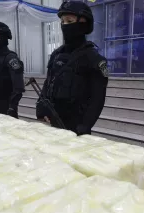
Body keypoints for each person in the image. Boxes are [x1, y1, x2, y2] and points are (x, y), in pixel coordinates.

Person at [36, 1, 108, 135]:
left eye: (69, 21)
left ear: (83, 23)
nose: (65, 26)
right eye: (62, 22)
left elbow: (98, 99)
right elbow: (48, 82)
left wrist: (85, 125)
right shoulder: (56, 55)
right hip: (51, 122)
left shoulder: (94, 59)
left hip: (76, 126)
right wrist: (41, 108)